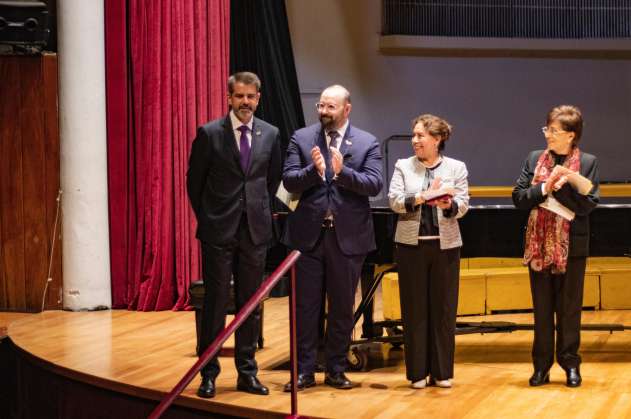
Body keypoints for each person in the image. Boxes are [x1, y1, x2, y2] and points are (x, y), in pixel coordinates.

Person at [281, 85, 383, 391]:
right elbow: (288, 179)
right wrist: (315, 170)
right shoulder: (301, 138)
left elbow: (375, 184)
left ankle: (337, 369)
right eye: (321, 106)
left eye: (330, 107)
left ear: (346, 109)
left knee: (341, 308)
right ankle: (304, 372)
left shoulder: (367, 142)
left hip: (348, 239)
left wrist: (341, 173)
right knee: (305, 308)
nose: (323, 112)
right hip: (308, 238)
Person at [186, 71, 282, 398]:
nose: (245, 102)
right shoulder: (210, 133)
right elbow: (194, 184)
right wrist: (210, 218)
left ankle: (247, 372)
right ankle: (207, 374)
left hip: (255, 232)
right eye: (239, 96)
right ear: (229, 97)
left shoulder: (270, 134)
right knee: (215, 304)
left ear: (258, 98)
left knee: (250, 305)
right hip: (218, 231)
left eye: (250, 97)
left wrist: (256, 211)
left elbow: (270, 181)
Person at [512, 105, 599, 388]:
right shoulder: (534, 158)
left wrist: (560, 189)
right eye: (547, 129)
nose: (548, 135)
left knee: (569, 309)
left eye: (554, 131)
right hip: (538, 246)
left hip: (572, 247)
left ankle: (570, 364)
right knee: (542, 309)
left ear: (571, 135)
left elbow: (587, 206)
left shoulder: (587, 163)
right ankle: (541, 367)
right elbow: (519, 198)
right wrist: (543, 189)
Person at [388, 114, 469, 389]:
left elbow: (464, 204)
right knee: (414, 309)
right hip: (412, 246)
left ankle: (442, 372)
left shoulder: (456, 168)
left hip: (445, 246)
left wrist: (447, 204)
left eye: (421, 136)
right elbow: (395, 201)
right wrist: (425, 196)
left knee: (444, 310)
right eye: (414, 135)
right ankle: (417, 373)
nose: (415, 140)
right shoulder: (403, 166)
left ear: (437, 139)